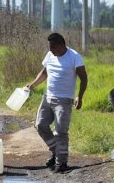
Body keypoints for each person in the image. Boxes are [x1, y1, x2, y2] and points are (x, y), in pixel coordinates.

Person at [25, 33, 87, 173]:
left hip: (64, 100)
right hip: (47, 98)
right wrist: (33, 85)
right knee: (40, 125)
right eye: (50, 47)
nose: (50, 50)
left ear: (61, 45)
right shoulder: (50, 55)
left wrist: (79, 97)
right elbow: (45, 72)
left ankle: (61, 163)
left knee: (61, 132)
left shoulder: (74, 57)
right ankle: (56, 151)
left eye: (53, 47)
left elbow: (84, 78)